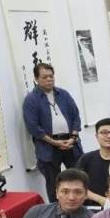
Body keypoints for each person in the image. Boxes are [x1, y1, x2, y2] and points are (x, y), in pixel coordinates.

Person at [23, 63, 84, 202]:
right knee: (53, 184)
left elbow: (76, 116)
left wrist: (73, 137)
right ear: (36, 79)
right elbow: (33, 127)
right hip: (48, 147)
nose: (49, 79)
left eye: (51, 76)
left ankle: (83, 208)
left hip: (71, 143)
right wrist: (55, 142)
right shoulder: (31, 100)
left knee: (79, 178)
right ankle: (56, 212)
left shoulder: (63, 94)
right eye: (45, 77)